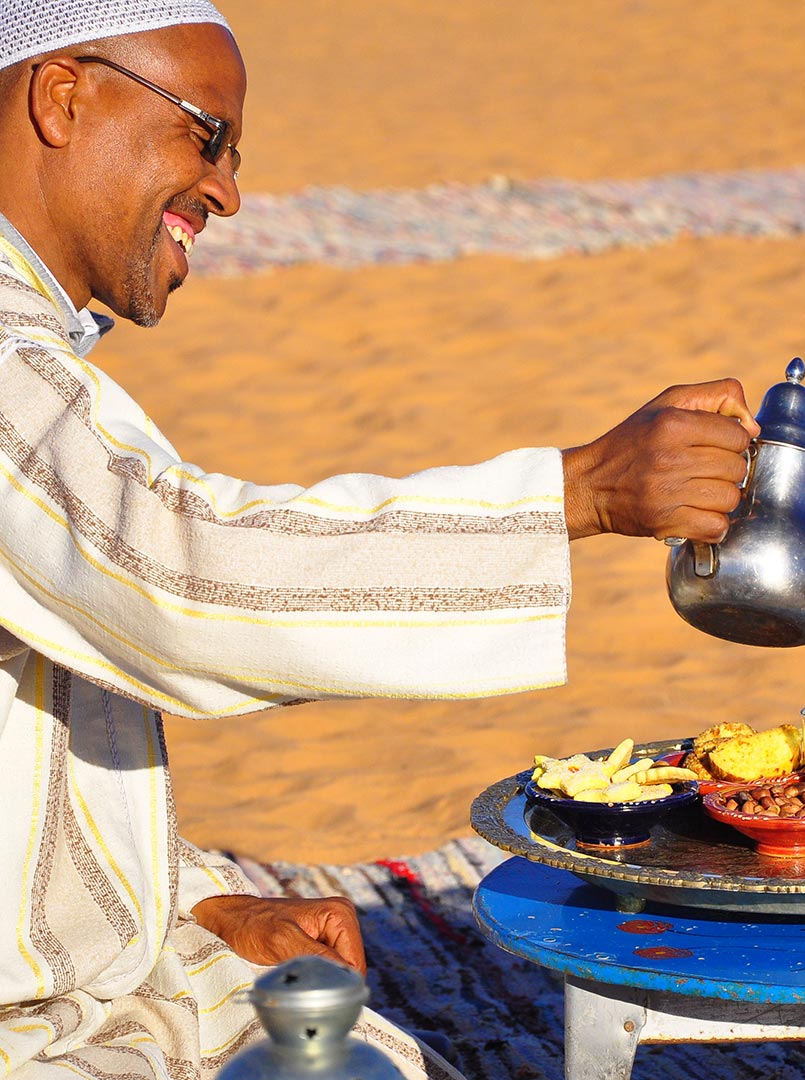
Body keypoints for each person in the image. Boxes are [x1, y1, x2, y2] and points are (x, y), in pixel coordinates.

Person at [0, 3, 759, 1078]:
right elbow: (178, 572)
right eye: (203, 134)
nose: (225, 188)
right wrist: (577, 495)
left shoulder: (37, 354)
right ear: (63, 98)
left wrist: (192, 899)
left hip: (93, 985)